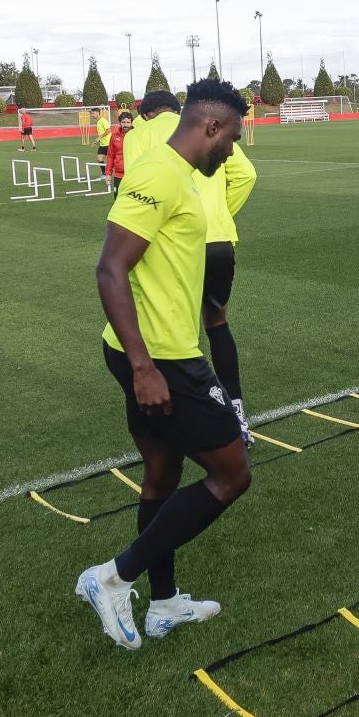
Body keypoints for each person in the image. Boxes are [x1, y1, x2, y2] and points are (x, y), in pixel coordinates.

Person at [75, 79, 255, 650]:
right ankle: (113, 578)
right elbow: (110, 268)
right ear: (211, 127)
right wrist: (143, 366)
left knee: (162, 475)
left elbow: (165, 261)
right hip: (159, 357)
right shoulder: (156, 172)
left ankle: (165, 602)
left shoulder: (181, 176)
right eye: (232, 137)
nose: (232, 150)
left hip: (162, 348)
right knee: (232, 473)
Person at [191, 117, 258, 442]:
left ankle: (191, 415)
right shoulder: (213, 135)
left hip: (183, 242)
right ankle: (238, 417)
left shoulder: (165, 138)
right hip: (220, 242)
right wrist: (222, 213)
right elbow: (246, 174)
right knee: (217, 324)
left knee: (181, 332)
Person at [120, 91, 182, 167]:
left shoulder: (134, 136)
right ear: (177, 112)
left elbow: (133, 174)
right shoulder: (199, 128)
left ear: (146, 116)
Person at [107, 111, 135, 191]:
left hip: (134, 174)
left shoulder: (137, 135)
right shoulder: (114, 136)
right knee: (118, 200)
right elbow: (110, 156)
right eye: (123, 122)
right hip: (119, 175)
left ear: (131, 123)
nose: (125, 125)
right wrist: (108, 174)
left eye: (128, 122)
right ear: (120, 123)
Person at [96, 106, 113, 178]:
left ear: (97, 113)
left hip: (108, 143)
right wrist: (98, 140)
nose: (91, 115)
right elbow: (101, 133)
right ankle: (104, 174)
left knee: (113, 160)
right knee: (99, 158)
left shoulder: (103, 120)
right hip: (103, 144)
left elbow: (108, 130)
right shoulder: (98, 122)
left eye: (93, 113)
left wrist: (100, 137)